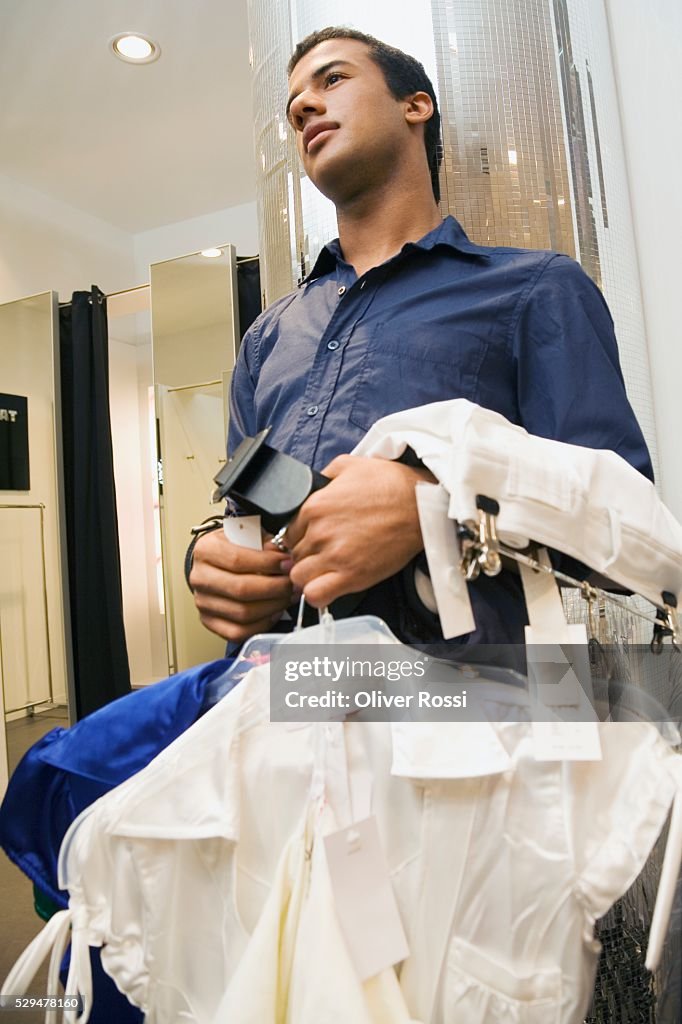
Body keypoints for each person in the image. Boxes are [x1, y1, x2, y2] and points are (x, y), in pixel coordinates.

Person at [188, 26, 652, 653]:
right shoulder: (267, 337)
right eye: (294, 105)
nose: (303, 108)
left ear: (416, 105)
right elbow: (241, 514)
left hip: (459, 716)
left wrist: (438, 508)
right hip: (277, 703)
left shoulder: (537, 290)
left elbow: (629, 534)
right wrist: (215, 558)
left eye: (332, 79)